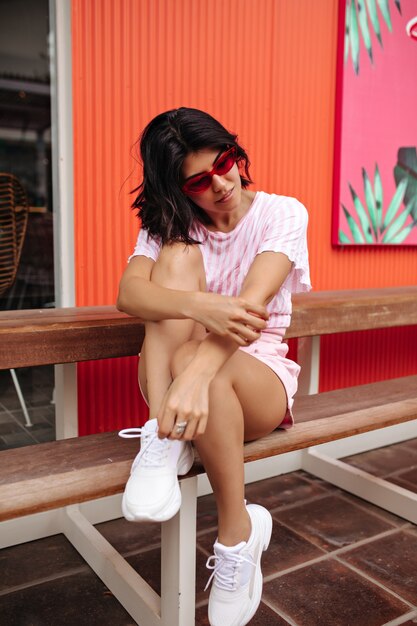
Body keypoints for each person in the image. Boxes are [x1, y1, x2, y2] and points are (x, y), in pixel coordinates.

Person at [117, 107, 311, 626]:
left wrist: (196, 373)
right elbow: (129, 294)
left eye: (224, 162)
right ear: (179, 189)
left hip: (257, 381)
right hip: (178, 379)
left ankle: (237, 532)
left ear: (234, 152)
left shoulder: (282, 213)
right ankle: (166, 435)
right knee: (176, 259)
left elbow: (251, 307)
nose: (221, 183)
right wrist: (197, 306)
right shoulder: (173, 225)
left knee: (191, 357)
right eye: (199, 181)